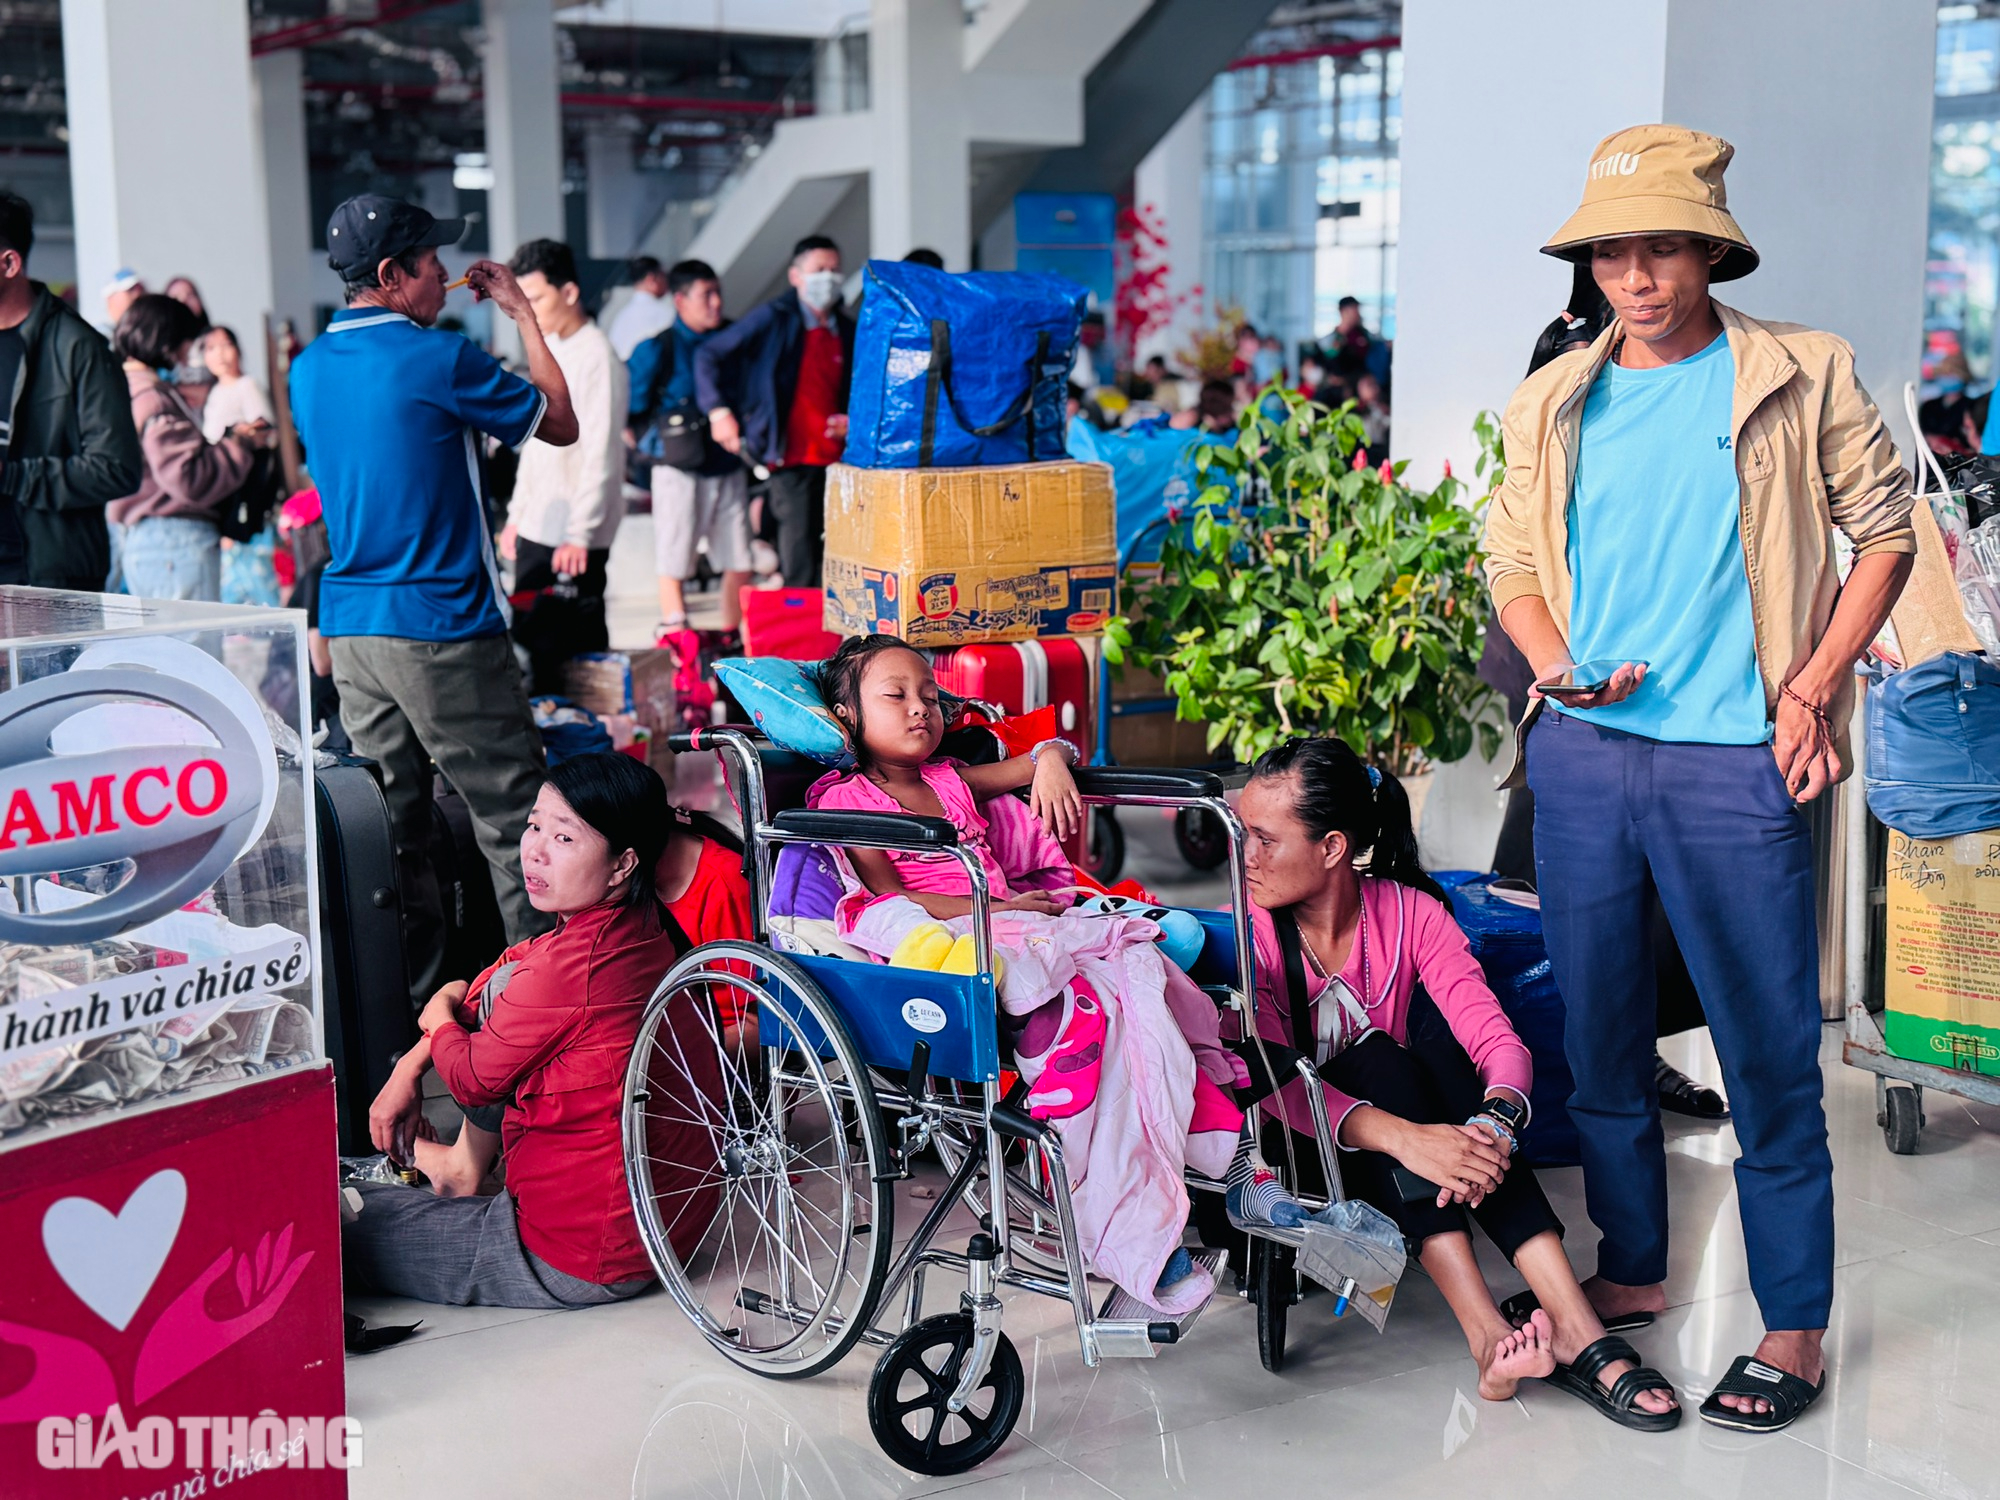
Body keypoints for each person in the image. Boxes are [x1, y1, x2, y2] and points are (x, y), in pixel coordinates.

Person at [1486, 125, 1920, 1432]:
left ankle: (1791, 1324)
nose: (1637, 275)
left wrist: (1810, 687)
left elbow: (1888, 534)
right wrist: (1554, 669)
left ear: (1711, 250)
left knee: (1767, 1052)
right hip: (1586, 761)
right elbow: (1510, 563)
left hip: (1739, 760)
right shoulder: (1554, 397)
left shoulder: (1799, 370)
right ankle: (1633, 1263)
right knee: (1602, 1037)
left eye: (1662, 246)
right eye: (1612, 252)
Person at [807, 634, 1291, 1314]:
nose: (921, 708)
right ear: (845, 716)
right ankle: (1138, 1218)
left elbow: (1043, 754)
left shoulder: (950, 778)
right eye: (896, 696)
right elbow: (893, 898)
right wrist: (1001, 905)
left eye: (930, 696)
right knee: (1096, 1006)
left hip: (1016, 920)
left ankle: (1217, 1157)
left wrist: (1051, 762)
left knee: (1140, 978)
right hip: (954, 935)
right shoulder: (845, 798)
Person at [1238, 736, 1679, 1428]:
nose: (1248, 857)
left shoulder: (1411, 912)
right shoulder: (1252, 932)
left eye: (1265, 838)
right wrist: (1411, 1140)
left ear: (1331, 847)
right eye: (1245, 835)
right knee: (1384, 1060)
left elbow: (1495, 1041)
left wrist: (1491, 1125)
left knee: (1445, 1064)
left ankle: (1570, 1321)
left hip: (1419, 1146)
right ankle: (1488, 1334)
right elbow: (1266, 1082)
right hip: (1308, 1154)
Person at [289, 194, 579, 1013]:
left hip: (353, 630)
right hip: (444, 626)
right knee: (517, 820)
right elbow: (559, 421)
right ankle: (536, 1017)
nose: (444, 279)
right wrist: (523, 314)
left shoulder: (306, 369)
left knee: (393, 833)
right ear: (389, 275)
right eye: (428, 265)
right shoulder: (437, 358)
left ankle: (414, 1017)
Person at [349, 752, 712, 1308]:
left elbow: (470, 1080)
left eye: (564, 839)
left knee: (336, 1219)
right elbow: (499, 979)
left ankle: (455, 1176)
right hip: (667, 1233)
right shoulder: (639, 931)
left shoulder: (575, 968)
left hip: (581, 1256)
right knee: (502, 994)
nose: (534, 850)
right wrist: (415, 1057)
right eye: (534, 825)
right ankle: (460, 1170)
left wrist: (435, 1017)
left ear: (623, 864)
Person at [498, 238, 627, 691]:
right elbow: (536, 448)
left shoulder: (596, 354)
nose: (529, 310)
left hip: (572, 532)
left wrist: (582, 532)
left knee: (575, 651)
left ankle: (591, 749)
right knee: (539, 647)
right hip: (540, 523)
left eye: (536, 299)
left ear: (569, 293)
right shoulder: (551, 346)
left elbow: (601, 450)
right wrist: (517, 517)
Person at [0, 190, 142, 590]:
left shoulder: (78, 347)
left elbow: (117, 469)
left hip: (49, 581)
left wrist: (11, 476)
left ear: (9, 263)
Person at [695, 234, 852, 590]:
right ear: (796, 276)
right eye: (818, 270)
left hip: (836, 459)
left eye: (834, 270)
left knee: (836, 554)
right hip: (789, 457)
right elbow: (708, 355)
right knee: (799, 555)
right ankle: (805, 639)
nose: (828, 277)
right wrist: (719, 411)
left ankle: (834, 639)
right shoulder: (773, 318)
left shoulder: (844, 327)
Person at [628, 259, 751, 639]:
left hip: (729, 464)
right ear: (680, 300)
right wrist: (656, 449)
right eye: (705, 295)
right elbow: (631, 411)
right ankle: (679, 638)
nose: (715, 303)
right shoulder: (658, 349)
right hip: (678, 469)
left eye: (718, 293)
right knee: (675, 555)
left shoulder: (735, 339)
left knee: (740, 558)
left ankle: (733, 639)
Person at [107, 294, 254, 601]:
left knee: (165, 648)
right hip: (174, 542)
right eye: (189, 343)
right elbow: (189, 477)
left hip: (148, 541)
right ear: (166, 341)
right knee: (191, 648)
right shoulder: (153, 398)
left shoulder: (122, 388)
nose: (189, 356)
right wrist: (238, 445)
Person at [198, 326, 274, 441]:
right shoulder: (215, 391)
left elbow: (263, 425)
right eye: (211, 348)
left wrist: (242, 430)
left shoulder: (247, 385)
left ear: (237, 350)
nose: (219, 353)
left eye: (225, 345)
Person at [607, 254, 674, 361]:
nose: (666, 280)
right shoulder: (665, 313)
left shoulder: (619, 318)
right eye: (663, 275)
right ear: (651, 279)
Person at [1328, 295, 1374, 381]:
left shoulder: (1363, 335)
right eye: (1354, 309)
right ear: (1343, 311)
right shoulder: (1330, 339)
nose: (1357, 314)